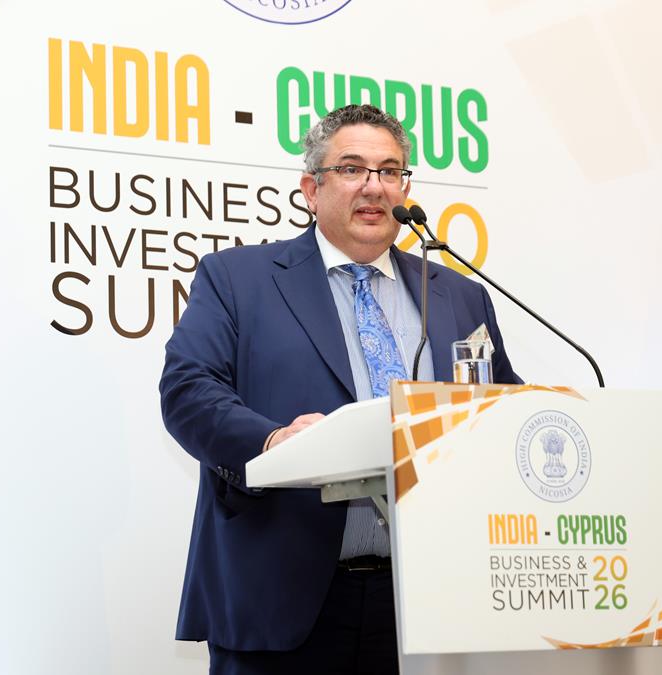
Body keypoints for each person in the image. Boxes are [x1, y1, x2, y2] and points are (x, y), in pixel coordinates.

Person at [160, 104, 519, 674]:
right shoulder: (237, 278)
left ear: (405, 188)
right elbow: (188, 389)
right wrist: (272, 441)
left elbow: (504, 408)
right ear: (311, 189)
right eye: (352, 169)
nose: (374, 187)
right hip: (285, 597)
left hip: (434, 603)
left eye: (390, 171)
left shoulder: (458, 293)